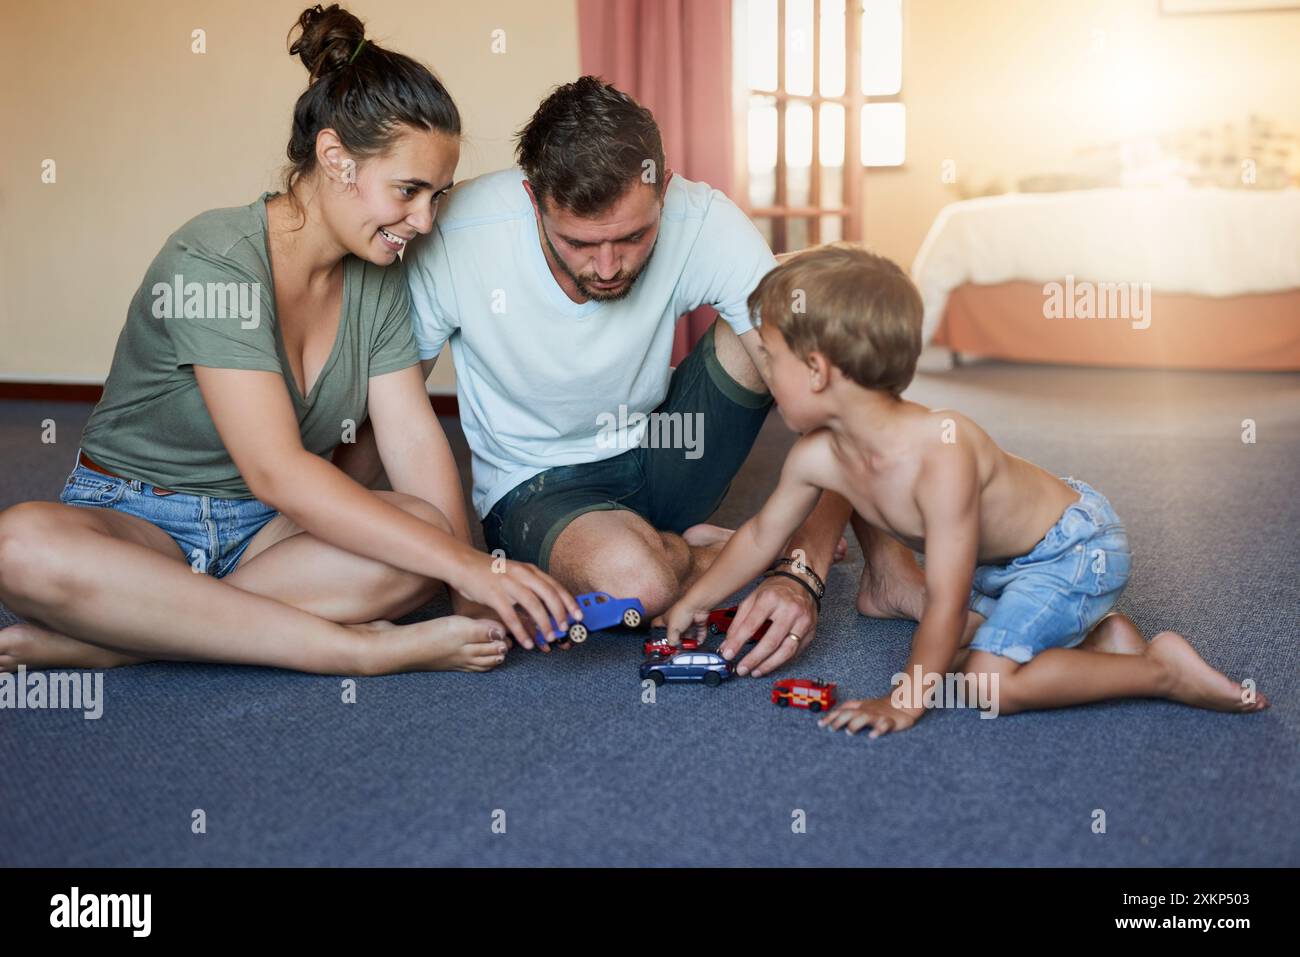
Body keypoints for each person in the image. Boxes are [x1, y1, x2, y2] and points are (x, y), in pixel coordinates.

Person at [0, 3, 580, 676]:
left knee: (423, 529)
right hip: (139, 520)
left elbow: (414, 440)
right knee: (19, 547)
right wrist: (467, 568)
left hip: (266, 535)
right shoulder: (212, 259)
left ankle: (122, 635)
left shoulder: (379, 276)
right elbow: (276, 467)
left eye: (438, 196)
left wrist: (468, 588)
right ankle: (351, 648)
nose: (423, 221)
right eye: (409, 190)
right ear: (335, 158)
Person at [350, 76, 919, 668]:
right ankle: (702, 552)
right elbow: (393, 411)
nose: (606, 267)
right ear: (532, 197)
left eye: (633, 237)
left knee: (818, 315)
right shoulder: (455, 234)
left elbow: (835, 396)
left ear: (663, 189)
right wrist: (454, 575)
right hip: (540, 483)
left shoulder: (703, 220)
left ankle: (884, 563)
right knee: (636, 588)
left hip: (666, 445)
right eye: (577, 243)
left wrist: (804, 569)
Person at [665, 243, 1269, 734]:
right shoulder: (817, 456)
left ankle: (1159, 670)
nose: (765, 374)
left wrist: (903, 700)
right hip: (1001, 568)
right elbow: (759, 536)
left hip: (1072, 548)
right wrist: (693, 602)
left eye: (771, 358)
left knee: (987, 685)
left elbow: (946, 600)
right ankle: (1104, 640)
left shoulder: (943, 453)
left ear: (819, 370)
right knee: (950, 667)